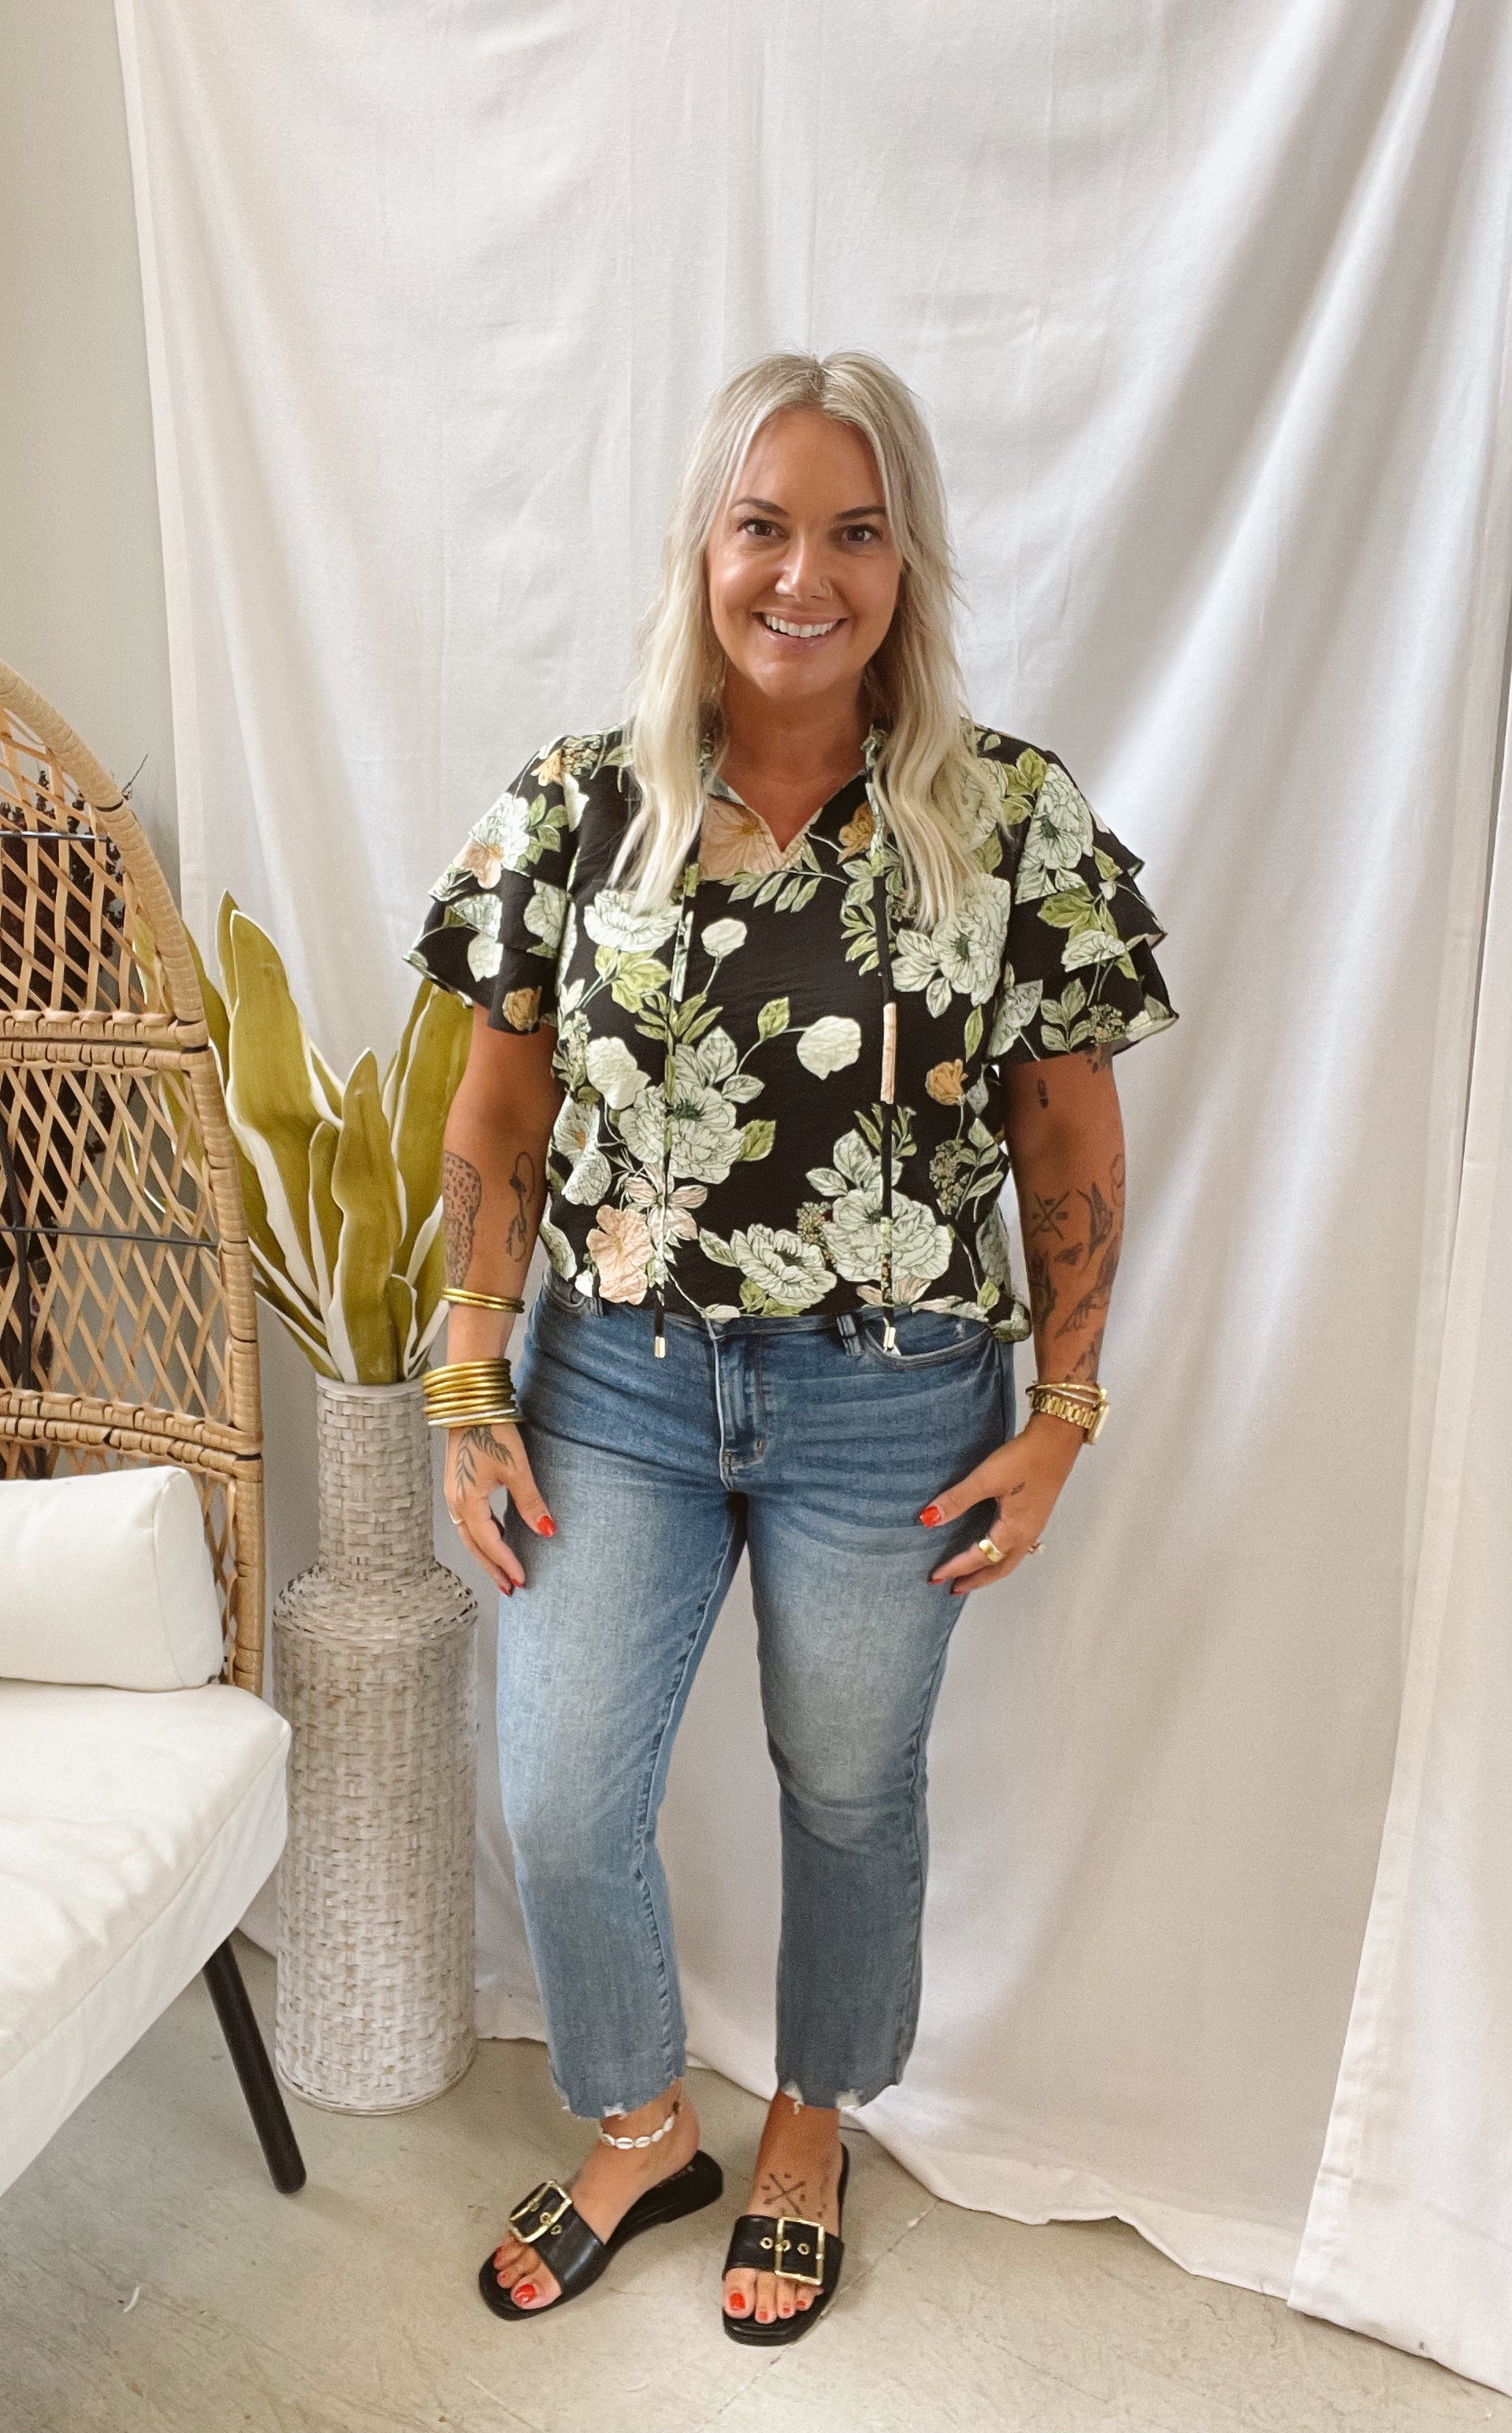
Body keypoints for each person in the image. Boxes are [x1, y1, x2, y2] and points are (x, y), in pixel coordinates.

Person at [406, 349, 1176, 2343]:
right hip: (615, 1389)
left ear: (904, 563)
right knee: (565, 1792)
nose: (802, 575)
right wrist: (470, 1377)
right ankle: (642, 2120)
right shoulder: (583, 810)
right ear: (704, 547)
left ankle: (813, 2117)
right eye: (765, 526)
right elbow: (492, 1119)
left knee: (849, 1782)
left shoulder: (1006, 823)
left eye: (852, 530)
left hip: (896, 1395)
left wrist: (1068, 1406)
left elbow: (1067, 1136)